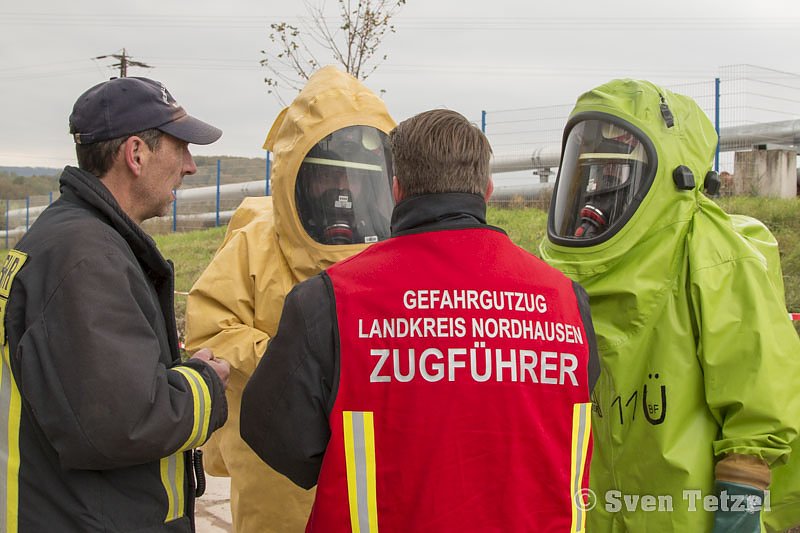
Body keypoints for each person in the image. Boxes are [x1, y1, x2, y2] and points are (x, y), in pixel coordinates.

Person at [239, 108, 601, 531]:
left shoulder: (330, 300)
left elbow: (274, 435)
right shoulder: (566, 300)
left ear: (396, 189)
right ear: (487, 189)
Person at [540, 78, 800, 532]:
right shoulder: (561, 268)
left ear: (675, 175)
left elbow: (760, 404)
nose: (599, 194)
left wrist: (738, 516)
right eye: (594, 174)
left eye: (618, 174)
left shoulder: (711, 255)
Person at [0, 76, 230, 532]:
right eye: (181, 147)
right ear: (136, 154)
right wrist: (205, 383)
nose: (191, 166)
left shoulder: (68, 238)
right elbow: (123, 423)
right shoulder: (87, 259)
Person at [184, 65, 396, 532]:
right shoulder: (255, 242)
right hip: (272, 466)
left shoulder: (393, 250)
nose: (344, 192)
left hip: (372, 461)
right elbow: (209, 329)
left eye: (356, 179)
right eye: (327, 178)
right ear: (294, 176)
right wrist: (296, 367)